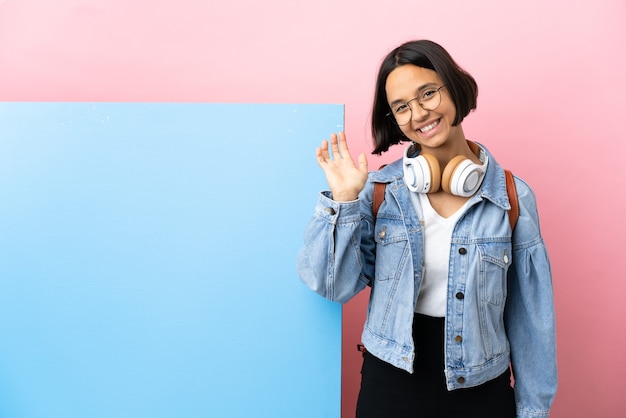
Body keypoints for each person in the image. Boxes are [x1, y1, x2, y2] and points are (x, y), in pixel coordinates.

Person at [296, 40, 557, 418]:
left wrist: (533, 411)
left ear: (453, 86)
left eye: (428, 93)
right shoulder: (379, 192)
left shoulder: (512, 199)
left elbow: (532, 319)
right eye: (402, 106)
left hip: (482, 390)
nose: (419, 113)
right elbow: (331, 285)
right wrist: (343, 202)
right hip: (391, 385)